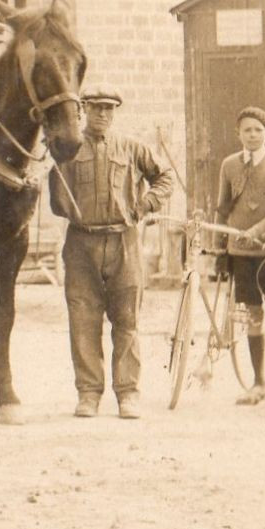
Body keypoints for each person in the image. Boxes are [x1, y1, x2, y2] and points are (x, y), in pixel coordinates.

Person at [47, 84, 175, 419]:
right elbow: (57, 199)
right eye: (96, 108)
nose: (103, 114)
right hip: (81, 243)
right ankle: (88, 393)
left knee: (127, 318)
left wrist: (146, 203)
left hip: (124, 242)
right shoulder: (68, 151)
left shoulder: (132, 148)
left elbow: (165, 178)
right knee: (83, 319)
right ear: (84, 110)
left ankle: (128, 393)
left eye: (109, 109)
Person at [216, 105, 265, 405]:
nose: (252, 134)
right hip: (239, 251)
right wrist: (221, 243)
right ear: (238, 133)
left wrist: (257, 230)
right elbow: (222, 208)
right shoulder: (229, 165)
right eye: (247, 129)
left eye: (258, 130)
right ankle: (259, 383)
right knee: (251, 314)